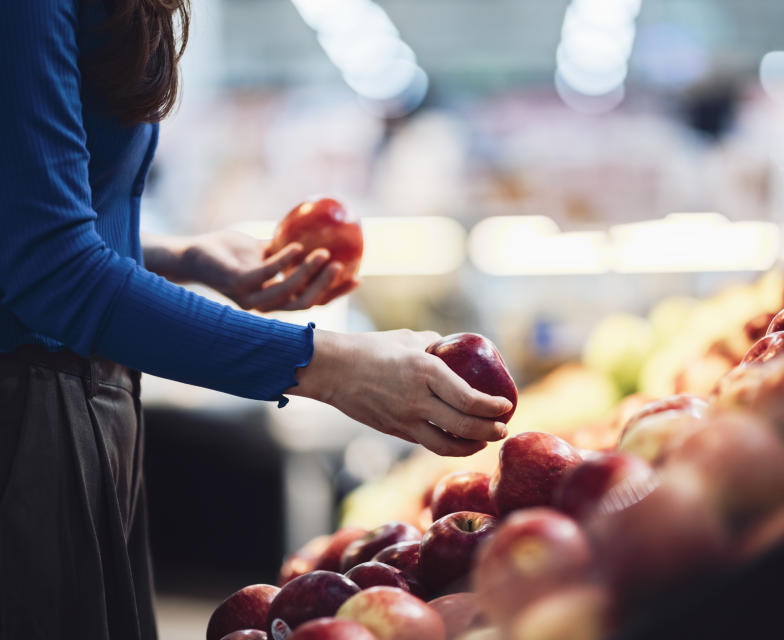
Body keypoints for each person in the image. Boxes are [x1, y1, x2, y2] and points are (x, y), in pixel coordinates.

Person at [0, 2, 511, 639]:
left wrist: (183, 255)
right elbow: (49, 269)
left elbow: (29, 218)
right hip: (24, 419)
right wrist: (329, 366)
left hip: (81, 400)